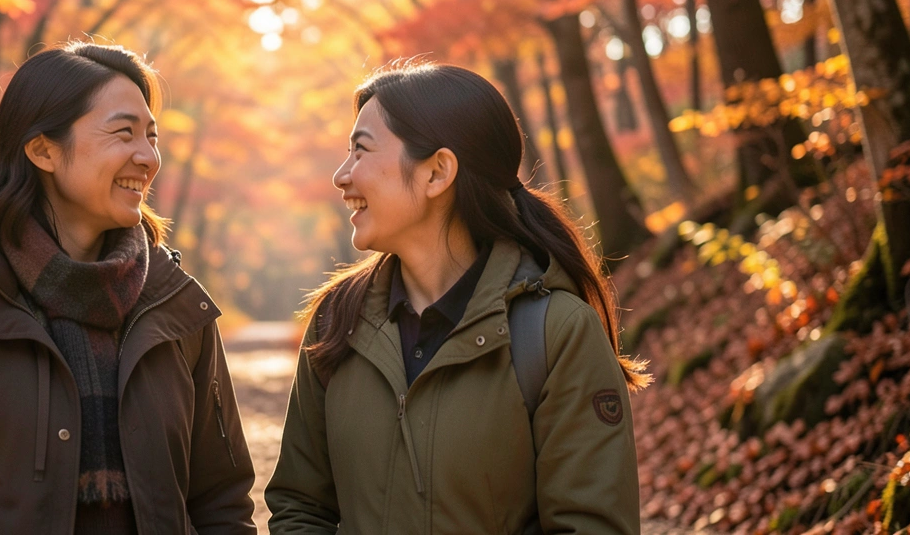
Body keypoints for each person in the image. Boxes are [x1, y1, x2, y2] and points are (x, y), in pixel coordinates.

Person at [0, 42, 255, 534]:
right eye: (123, 133)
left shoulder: (174, 307)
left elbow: (222, 504)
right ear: (42, 149)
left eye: (151, 137)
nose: (148, 158)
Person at [266, 60, 647, 535]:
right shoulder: (336, 322)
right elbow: (301, 507)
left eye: (360, 151)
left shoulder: (557, 333)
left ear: (437, 173)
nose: (341, 176)